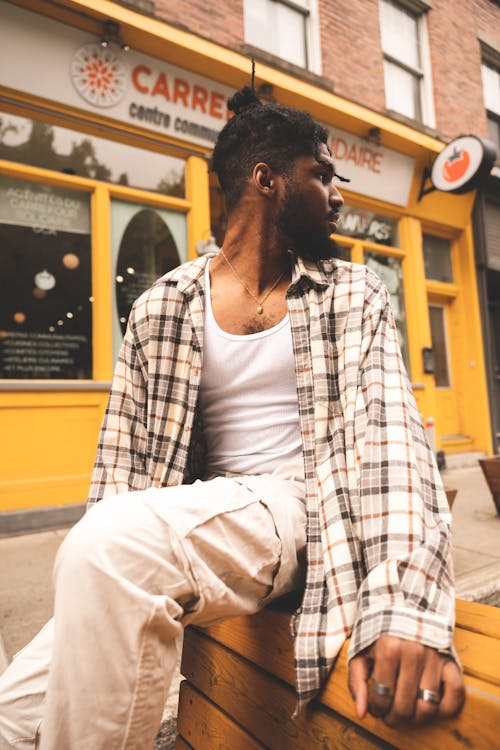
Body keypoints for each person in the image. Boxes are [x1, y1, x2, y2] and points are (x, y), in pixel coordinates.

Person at [0, 84, 464, 749]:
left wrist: (402, 604)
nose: (339, 195)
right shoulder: (162, 306)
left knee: (115, 547)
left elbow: (392, 442)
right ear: (266, 180)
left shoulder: (352, 293)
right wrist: (93, 588)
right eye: (323, 174)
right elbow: (122, 463)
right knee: (13, 716)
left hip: (301, 504)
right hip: (195, 521)